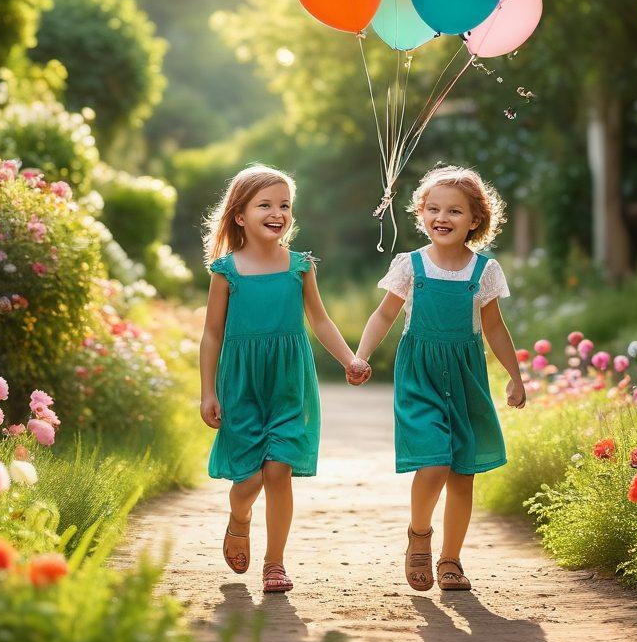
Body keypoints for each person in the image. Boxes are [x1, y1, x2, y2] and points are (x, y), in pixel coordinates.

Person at [353, 165, 526, 592]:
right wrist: (360, 355)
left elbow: (495, 328)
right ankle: (419, 538)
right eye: (433, 208)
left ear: (475, 220)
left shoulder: (484, 271)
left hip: (465, 375)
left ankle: (451, 561)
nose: (442, 217)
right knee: (433, 462)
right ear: (421, 214)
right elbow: (385, 314)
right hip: (420, 375)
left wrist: (515, 377)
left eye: (454, 210)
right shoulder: (410, 266)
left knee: (462, 472)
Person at [199, 165, 369, 593]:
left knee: (278, 472)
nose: (277, 213)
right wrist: (207, 392)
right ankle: (240, 517)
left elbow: (321, 320)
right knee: (249, 479)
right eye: (265, 205)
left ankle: (275, 563)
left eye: (285, 205)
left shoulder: (300, 267)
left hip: (289, 382)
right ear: (240, 215)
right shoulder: (226, 271)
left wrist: (351, 359)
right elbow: (212, 334)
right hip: (241, 384)